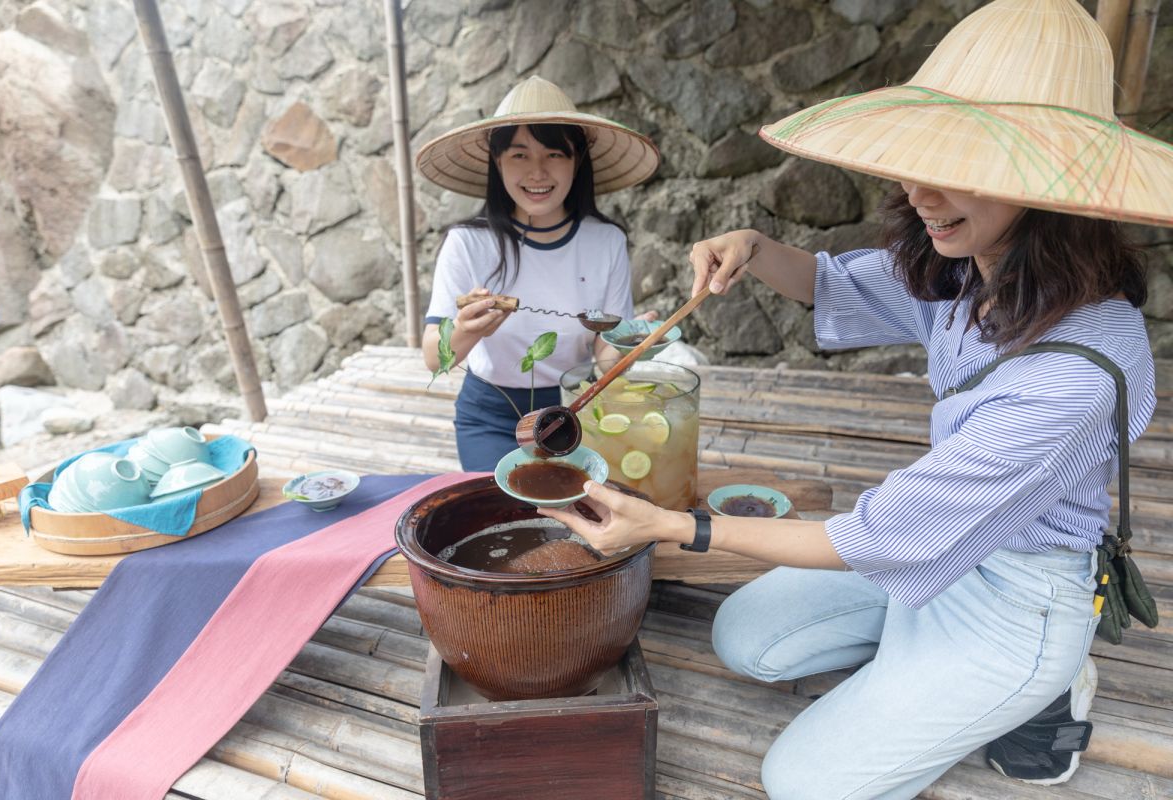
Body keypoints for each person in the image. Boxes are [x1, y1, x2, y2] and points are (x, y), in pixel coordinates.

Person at [541, 1, 1172, 797]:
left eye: (962, 170)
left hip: (1019, 595)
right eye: (922, 157)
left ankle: (1043, 688)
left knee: (803, 783)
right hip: (940, 542)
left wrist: (673, 527)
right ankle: (925, 687)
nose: (923, 195)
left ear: (1049, 184)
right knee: (746, 639)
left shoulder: (1075, 376)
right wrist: (754, 246)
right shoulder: (965, 270)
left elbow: (876, 534)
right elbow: (830, 282)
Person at [416, 76, 660, 471]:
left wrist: (629, 345)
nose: (537, 172)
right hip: (491, 416)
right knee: (501, 514)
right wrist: (466, 329)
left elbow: (602, 354)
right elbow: (433, 358)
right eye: (519, 155)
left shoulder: (607, 242)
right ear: (497, 162)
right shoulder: (467, 243)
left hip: (574, 410)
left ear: (577, 160)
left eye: (554, 154)